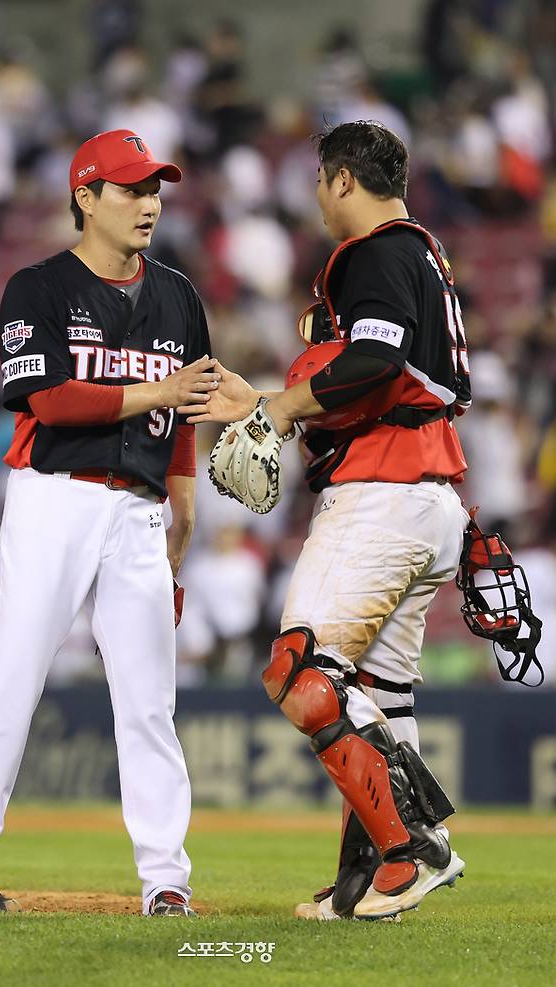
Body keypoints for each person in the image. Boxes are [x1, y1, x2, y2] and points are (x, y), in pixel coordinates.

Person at [0, 129, 219, 918]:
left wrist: (184, 497)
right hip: (53, 498)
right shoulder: (38, 288)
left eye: (154, 187)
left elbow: (189, 408)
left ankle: (166, 877)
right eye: (130, 188)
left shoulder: (180, 295)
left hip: (140, 511)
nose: (149, 202)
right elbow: (50, 400)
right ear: (85, 198)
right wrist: (160, 397)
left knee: (150, 699)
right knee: (11, 682)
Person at [188, 120, 471, 920]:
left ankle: (410, 849)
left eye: (320, 179)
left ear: (344, 179)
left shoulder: (376, 251)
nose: (316, 194)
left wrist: (278, 408)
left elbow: (375, 358)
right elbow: (385, 380)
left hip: (383, 492)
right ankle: (362, 886)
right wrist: (272, 404)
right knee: (380, 694)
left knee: (299, 667)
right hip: (427, 491)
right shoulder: (426, 255)